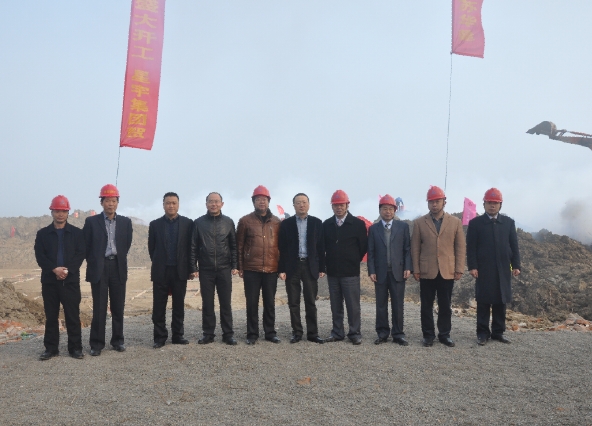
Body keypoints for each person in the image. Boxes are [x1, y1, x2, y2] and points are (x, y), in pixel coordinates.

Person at [411, 186, 465, 348]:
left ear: (444, 202)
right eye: (431, 202)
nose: (434, 204)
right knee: (426, 305)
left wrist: (459, 268)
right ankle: (428, 335)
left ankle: (444, 334)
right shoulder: (419, 223)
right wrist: (416, 269)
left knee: (445, 305)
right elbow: (415, 248)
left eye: (437, 201)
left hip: (447, 270)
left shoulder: (455, 222)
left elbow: (460, 247)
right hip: (427, 270)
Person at [466, 188, 521, 346]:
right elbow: (471, 248)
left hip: (503, 268)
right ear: (484, 204)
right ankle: (482, 333)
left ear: (500, 205)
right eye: (489, 203)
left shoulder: (508, 223)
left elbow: (514, 245)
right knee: (483, 301)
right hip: (483, 269)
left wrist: (516, 265)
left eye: (495, 203)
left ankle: (498, 332)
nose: (492, 206)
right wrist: (472, 266)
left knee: (500, 301)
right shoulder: (475, 224)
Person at [34, 195, 85, 360]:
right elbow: (40, 256)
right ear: (52, 212)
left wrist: (67, 270)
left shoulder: (77, 234)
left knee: (72, 316)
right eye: (57, 211)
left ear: (68, 212)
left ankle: (75, 348)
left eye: (63, 211)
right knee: (51, 316)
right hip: (50, 282)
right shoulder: (43, 234)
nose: (60, 214)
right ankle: (51, 349)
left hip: (70, 282)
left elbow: (80, 254)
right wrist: (54, 269)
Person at [83, 184, 133, 356]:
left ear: (117, 202)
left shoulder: (125, 222)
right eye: (107, 200)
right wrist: (95, 261)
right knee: (99, 307)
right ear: (101, 202)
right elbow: (86, 245)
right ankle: (96, 344)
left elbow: (126, 244)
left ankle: (118, 341)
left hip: (118, 266)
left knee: (118, 306)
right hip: (100, 268)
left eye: (113, 200)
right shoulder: (91, 222)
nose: (110, 204)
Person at [190, 192, 238, 346]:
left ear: (222, 204)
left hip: (224, 268)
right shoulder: (199, 223)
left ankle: (228, 334)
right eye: (211, 201)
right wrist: (194, 267)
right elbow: (193, 246)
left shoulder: (228, 222)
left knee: (226, 303)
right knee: (207, 303)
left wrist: (235, 265)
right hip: (206, 269)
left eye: (217, 201)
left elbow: (234, 246)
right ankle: (208, 334)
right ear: (206, 204)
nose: (214, 204)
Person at [236, 185, 281, 345]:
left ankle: (270, 333)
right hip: (251, 269)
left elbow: (281, 246)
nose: (261, 202)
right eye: (258, 199)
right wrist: (240, 267)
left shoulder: (276, 222)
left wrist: (280, 268)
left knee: (269, 302)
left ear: (269, 201)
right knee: (252, 302)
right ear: (253, 202)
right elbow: (239, 245)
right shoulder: (245, 221)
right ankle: (252, 334)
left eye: (264, 199)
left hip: (271, 268)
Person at [278, 193, 326, 344]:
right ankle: (297, 332)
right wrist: (281, 269)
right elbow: (282, 248)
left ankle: (313, 333)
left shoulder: (317, 223)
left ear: (309, 204)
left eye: (304, 202)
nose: (301, 205)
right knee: (293, 301)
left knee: (310, 300)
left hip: (310, 265)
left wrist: (322, 267)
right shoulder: (286, 224)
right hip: (292, 266)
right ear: (294, 205)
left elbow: (321, 247)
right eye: (298, 202)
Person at [322, 190, 368, 345]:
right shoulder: (327, 225)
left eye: (341, 205)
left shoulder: (357, 224)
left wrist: (353, 260)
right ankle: (337, 332)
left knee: (353, 305)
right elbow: (323, 247)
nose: (339, 208)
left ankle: (354, 333)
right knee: (335, 304)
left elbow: (363, 247)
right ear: (332, 207)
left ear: (347, 205)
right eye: (336, 205)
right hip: (333, 272)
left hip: (350, 272)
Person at [148, 192, 193, 349]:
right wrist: (160, 263)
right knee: (159, 306)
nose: (171, 206)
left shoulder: (188, 224)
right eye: (168, 203)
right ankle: (160, 337)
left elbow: (190, 248)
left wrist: (191, 268)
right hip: (161, 270)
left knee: (178, 305)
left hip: (180, 271)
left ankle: (177, 335)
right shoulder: (155, 225)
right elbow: (152, 248)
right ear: (163, 205)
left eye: (174, 203)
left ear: (178, 205)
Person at [367, 194, 411, 346]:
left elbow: (407, 249)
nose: (388, 212)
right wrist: (371, 270)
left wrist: (408, 267)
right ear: (380, 210)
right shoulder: (373, 229)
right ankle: (382, 333)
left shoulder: (403, 227)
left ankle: (398, 334)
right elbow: (371, 251)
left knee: (398, 304)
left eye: (391, 209)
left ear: (395, 210)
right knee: (381, 304)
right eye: (385, 209)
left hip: (398, 271)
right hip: (380, 272)